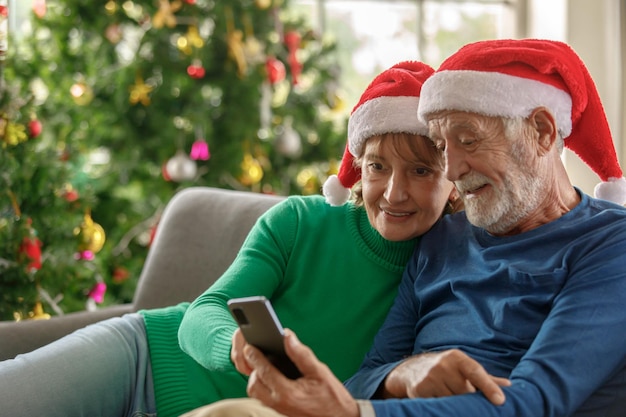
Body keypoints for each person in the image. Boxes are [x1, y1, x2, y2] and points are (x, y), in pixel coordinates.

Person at [182, 39, 626, 417]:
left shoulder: (610, 243)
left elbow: (531, 402)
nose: (451, 170)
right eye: (441, 147)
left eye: (467, 140)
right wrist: (401, 374)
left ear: (543, 132)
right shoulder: (442, 240)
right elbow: (366, 376)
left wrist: (357, 411)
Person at [0, 61, 466, 417]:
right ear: (357, 170)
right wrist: (236, 345)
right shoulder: (301, 221)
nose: (393, 192)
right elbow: (202, 314)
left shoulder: (453, 270)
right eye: (377, 167)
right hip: (141, 357)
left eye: (421, 170)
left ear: (453, 179)